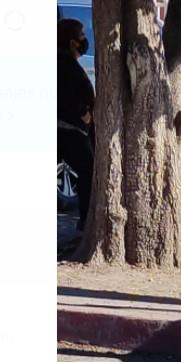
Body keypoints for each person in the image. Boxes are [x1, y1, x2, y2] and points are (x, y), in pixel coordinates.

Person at [58, 18, 95, 231]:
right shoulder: (65, 64)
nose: (84, 40)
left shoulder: (67, 62)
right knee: (88, 170)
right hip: (68, 129)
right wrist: (84, 114)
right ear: (72, 41)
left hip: (70, 128)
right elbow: (67, 95)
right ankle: (86, 221)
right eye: (82, 35)